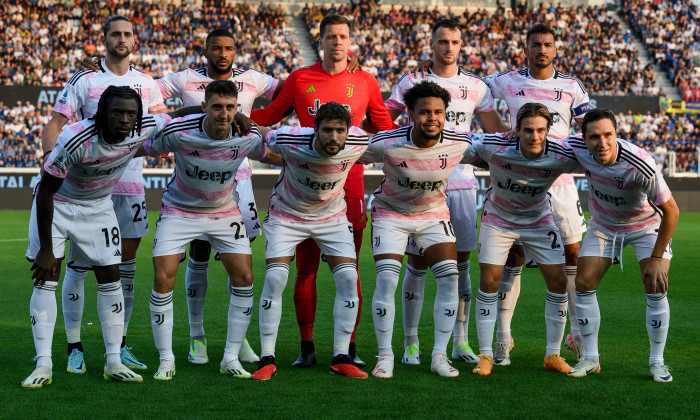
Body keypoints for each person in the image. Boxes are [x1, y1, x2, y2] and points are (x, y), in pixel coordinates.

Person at [250, 14, 396, 367]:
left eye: (343, 36)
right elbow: (268, 115)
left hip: (350, 186)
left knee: (350, 271)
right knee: (306, 270)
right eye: (331, 36)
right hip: (302, 186)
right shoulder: (300, 79)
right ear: (321, 40)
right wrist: (229, 117)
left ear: (351, 41)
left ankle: (349, 346)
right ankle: (306, 346)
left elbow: (386, 128)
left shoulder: (365, 80)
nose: (337, 42)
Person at [22, 86, 190, 388]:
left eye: (130, 113)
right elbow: (46, 191)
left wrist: (238, 119)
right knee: (46, 276)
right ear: (101, 114)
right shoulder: (75, 137)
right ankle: (43, 364)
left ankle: (113, 360)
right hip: (57, 203)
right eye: (116, 112)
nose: (124, 119)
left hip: (98, 206)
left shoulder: (145, 127)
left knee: (111, 278)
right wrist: (46, 249)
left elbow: (179, 116)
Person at [43, 15, 166, 373]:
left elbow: (161, 129)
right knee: (79, 268)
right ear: (105, 38)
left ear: (134, 40)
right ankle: (74, 346)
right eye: (115, 34)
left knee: (122, 270)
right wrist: (51, 161)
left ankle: (120, 346)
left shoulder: (146, 83)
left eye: (127, 34)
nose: (122, 39)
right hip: (83, 188)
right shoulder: (84, 78)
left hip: (127, 186)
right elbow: (56, 123)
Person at [385, 18, 510, 365]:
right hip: (418, 183)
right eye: (443, 41)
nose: (449, 47)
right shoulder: (413, 80)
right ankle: (411, 343)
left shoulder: (476, 86)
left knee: (462, 263)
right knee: (417, 262)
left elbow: (493, 130)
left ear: (461, 44)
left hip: (461, 184)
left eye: (455, 41)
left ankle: (461, 341)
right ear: (432, 44)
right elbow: (385, 118)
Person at [155, 27, 283, 366]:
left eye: (228, 48)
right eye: (216, 48)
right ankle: (197, 338)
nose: (222, 53)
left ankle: (237, 342)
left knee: (237, 264)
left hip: (238, 176)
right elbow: (143, 92)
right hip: (194, 177)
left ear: (235, 50)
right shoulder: (184, 79)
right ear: (206, 50)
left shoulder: (254, 79)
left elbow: (290, 91)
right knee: (198, 253)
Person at [484, 23, 591, 365]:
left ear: (555, 48)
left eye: (547, 44)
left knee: (571, 256)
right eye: (535, 44)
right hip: (520, 179)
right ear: (526, 47)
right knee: (512, 256)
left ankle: (575, 334)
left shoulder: (571, 86)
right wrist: (501, 134)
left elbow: (589, 127)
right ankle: (503, 337)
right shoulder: (507, 80)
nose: (542, 49)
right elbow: (471, 92)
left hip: (558, 179)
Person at [359, 81, 472, 379]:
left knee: (450, 277)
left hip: (434, 214)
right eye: (424, 112)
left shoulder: (460, 142)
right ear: (410, 113)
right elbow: (345, 150)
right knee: (386, 280)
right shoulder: (387, 143)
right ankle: (385, 356)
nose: (432, 118)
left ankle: (439, 356)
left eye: (438, 112)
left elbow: (497, 146)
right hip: (390, 214)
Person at [252, 102, 370, 380]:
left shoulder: (358, 141)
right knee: (276, 278)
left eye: (340, 130)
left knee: (348, 278)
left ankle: (341, 356)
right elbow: (263, 132)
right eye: (327, 130)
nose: (334, 137)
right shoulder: (289, 139)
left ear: (348, 131)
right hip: (287, 215)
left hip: (331, 218)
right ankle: (266, 358)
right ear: (314, 129)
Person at [464, 103, 580, 377]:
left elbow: (596, 157)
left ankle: (552, 354)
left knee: (559, 281)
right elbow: (457, 148)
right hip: (498, 219)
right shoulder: (493, 145)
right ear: (517, 129)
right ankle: (486, 355)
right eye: (528, 130)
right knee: (489, 280)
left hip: (539, 219)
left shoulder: (560, 154)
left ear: (549, 131)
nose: (535, 136)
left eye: (541, 130)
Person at [565, 109, 678, 382]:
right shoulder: (575, 148)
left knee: (655, 283)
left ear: (617, 134)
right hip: (604, 225)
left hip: (645, 226)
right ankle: (590, 358)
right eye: (594, 137)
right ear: (584, 138)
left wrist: (657, 257)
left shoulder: (640, 164)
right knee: (584, 282)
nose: (602, 143)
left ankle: (657, 362)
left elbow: (671, 211)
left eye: (608, 135)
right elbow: (542, 143)